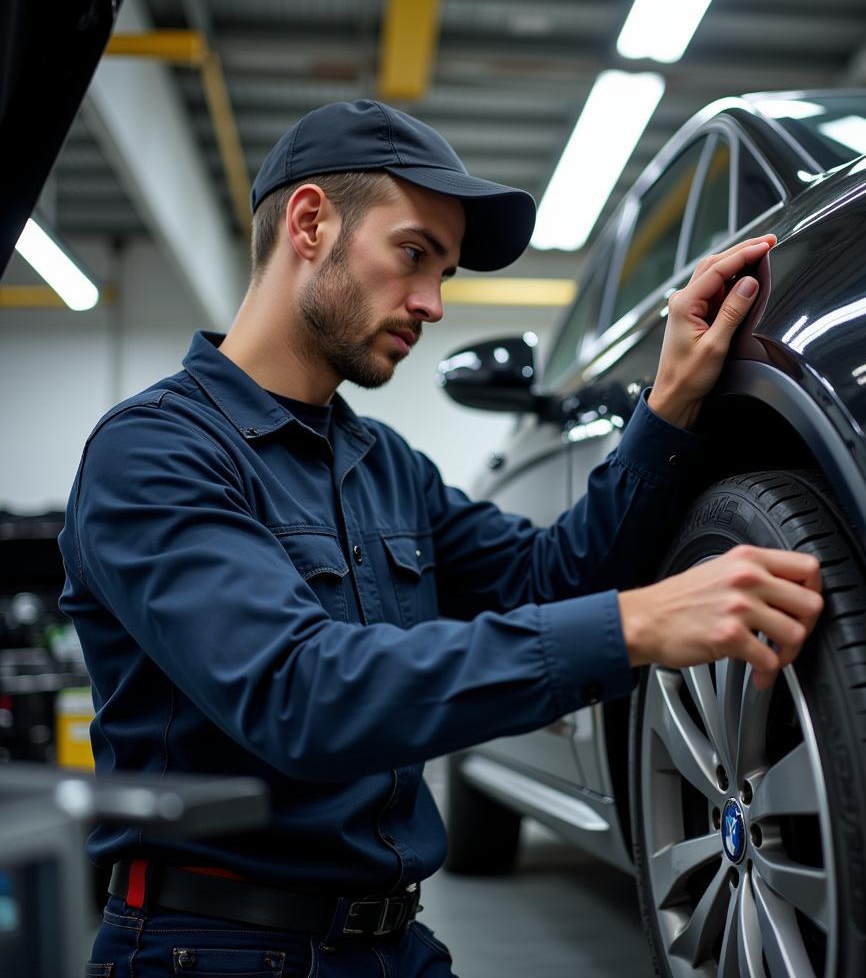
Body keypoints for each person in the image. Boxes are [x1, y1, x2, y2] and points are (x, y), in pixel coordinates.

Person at [60, 100, 823, 976]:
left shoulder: (385, 465)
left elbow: (556, 576)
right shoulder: (154, 453)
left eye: (444, 274)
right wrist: (636, 627)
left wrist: (669, 401)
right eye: (414, 254)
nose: (429, 304)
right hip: (216, 951)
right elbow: (300, 696)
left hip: (396, 948)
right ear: (310, 223)